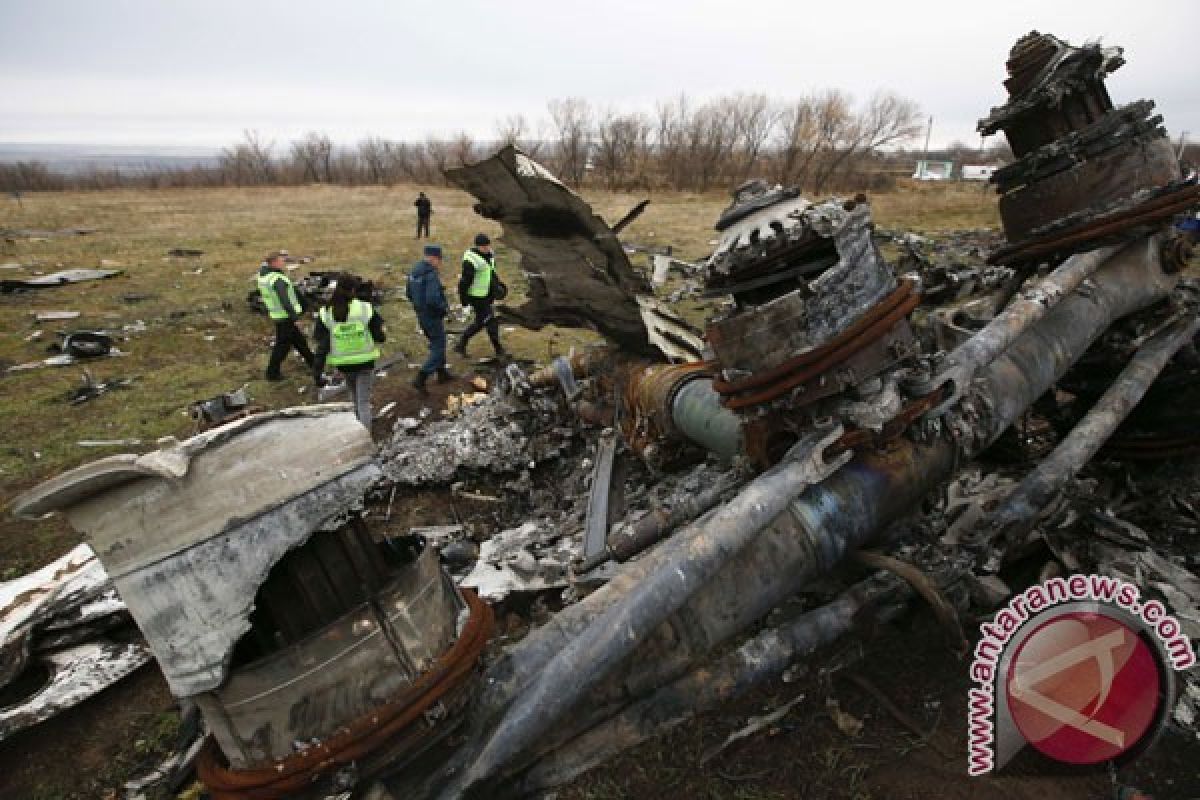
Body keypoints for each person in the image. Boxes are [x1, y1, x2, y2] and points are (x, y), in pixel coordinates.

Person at [313, 275, 385, 429]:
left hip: (343, 363)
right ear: (353, 290)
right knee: (363, 401)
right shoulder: (364, 308)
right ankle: (365, 435)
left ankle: (357, 424)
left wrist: (317, 370)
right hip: (365, 361)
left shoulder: (326, 312)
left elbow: (320, 339)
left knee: (354, 397)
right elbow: (379, 335)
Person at [256, 250, 315, 381]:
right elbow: (285, 300)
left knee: (298, 341)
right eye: (282, 260)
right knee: (282, 346)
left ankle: (313, 362)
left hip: (279, 315)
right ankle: (272, 373)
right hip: (285, 317)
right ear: (274, 262)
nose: (284, 263)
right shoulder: (276, 279)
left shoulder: (264, 276)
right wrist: (295, 317)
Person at [406, 244, 454, 392]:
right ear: (433, 258)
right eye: (439, 260)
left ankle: (442, 373)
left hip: (421, 314)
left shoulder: (414, 271)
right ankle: (421, 377)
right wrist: (443, 308)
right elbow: (433, 298)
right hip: (432, 315)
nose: (440, 263)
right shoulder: (430, 274)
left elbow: (408, 293)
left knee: (436, 341)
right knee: (438, 346)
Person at [454, 233, 506, 358]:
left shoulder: (489, 255)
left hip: (487, 295)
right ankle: (498, 350)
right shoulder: (470, 260)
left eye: (488, 245)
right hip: (476, 297)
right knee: (489, 321)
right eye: (484, 246)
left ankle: (461, 344)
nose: (487, 248)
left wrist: (499, 285)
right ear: (478, 246)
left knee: (483, 321)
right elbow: (464, 282)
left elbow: (491, 272)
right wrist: (464, 299)